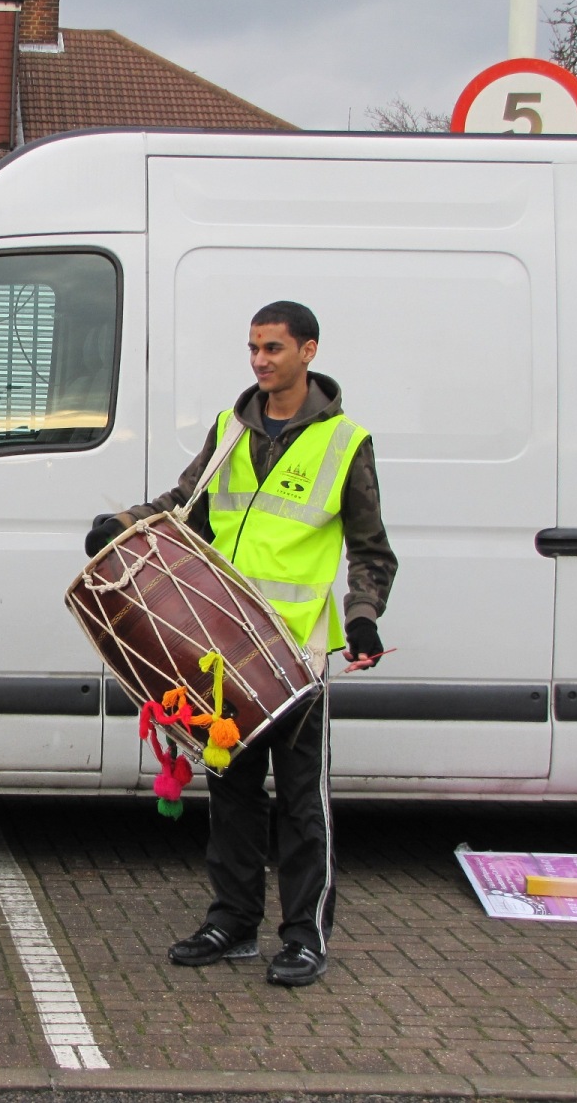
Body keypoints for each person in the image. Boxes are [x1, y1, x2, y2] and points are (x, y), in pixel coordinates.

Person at [85, 300, 396, 988]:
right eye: (253, 347)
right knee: (231, 792)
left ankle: (304, 936)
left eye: (274, 348)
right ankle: (232, 922)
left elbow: (373, 551)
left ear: (308, 350)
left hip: (295, 656)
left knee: (301, 803)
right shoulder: (230, 428)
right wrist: (121, 525)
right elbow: (183, 503)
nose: (260, 360)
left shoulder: (345, 441)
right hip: (225, 652)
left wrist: (365, 616)